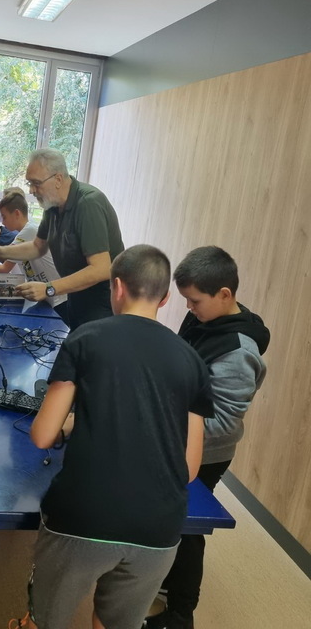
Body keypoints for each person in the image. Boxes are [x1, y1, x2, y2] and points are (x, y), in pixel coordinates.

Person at [19, 245, 213, 629]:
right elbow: (189, 468)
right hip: (159, 528)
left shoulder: (86, 338)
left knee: (46, 621)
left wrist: (70, 424)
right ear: (165, 297)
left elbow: (42, 436)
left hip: (84, 516)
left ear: (117, 287)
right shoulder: (192, 361)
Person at [144, 246, 270, 629]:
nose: (189, 307)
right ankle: (163, 583)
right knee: (171, 517)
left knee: (188, 525)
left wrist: (160, 425)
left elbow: (224, 423)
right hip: (177, 436)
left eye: (195, 301)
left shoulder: (237, 352)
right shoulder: (204, 318)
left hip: (206, 453)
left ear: (224, 294)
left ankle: (181, 613)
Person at [0, 149, 124, 330]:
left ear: (58, 179)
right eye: (30, 183)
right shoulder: (52, 206)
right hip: (76, 294)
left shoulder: (88, 204)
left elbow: (101, 269)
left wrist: (49, 288)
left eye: (36, 183)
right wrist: (1, 251)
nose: (31, 190)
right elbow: (37, 247)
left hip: (102, 301)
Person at [0, 191, 68, 322]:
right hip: (47, 296)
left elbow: (5, 267)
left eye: (4, 217)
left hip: (59, 297)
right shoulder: (24, 232)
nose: (3, 222)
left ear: (17, 213)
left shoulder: (29, 231)